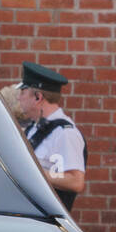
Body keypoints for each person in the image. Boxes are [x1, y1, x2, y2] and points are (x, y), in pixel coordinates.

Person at [17, 61, 87, 212]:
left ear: (38, 97)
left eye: (23, 91)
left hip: (46, 220)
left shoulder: (64, 133)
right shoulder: (34, 127)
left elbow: (75, 181)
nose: (18, 98)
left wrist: (31, 172)